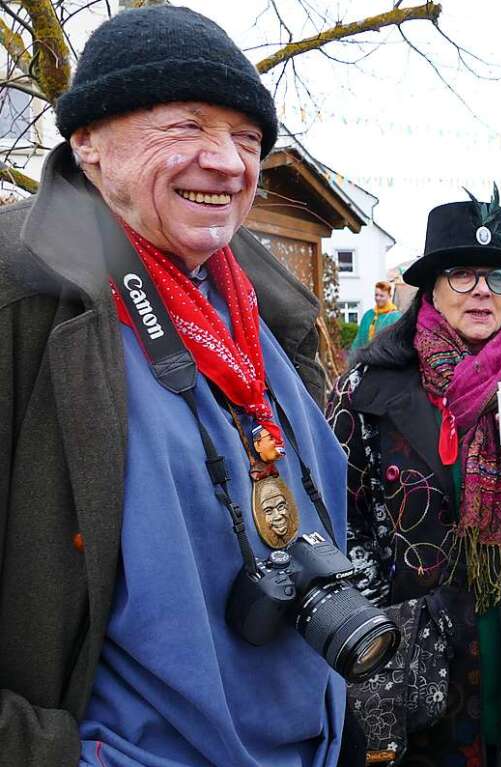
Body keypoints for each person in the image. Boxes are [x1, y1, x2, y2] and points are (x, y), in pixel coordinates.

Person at [0, 7, 361, 766]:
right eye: (185, 125)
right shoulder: (18, 299)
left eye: (247, 138)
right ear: (87, 142)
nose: (227, 162)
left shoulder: (268, 309)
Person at [329, 189, 501, 766]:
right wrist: (389, 619)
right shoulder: (369, 390)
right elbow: (336, 519)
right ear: (430, 286)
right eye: (462, 275)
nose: (483, 290)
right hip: (419, 655)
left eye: (498, 277)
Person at [352, 280, 401, 349]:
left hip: (385, 358)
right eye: (376, 295)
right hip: (366, 357)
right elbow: (359, 339)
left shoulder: (396, 317)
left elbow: (399, 341)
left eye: (381, 296)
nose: (378, 298)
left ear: (389, 296)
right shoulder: (368, 315)